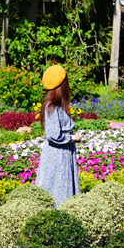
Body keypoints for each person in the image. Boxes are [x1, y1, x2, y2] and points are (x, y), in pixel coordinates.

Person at [35, 64, 81, 207]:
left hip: (61, 153)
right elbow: (53, 136)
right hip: (58, 154)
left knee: (59, 184)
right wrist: (73, 138)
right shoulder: (52, 106)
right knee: (58, 185)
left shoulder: (54, 105)